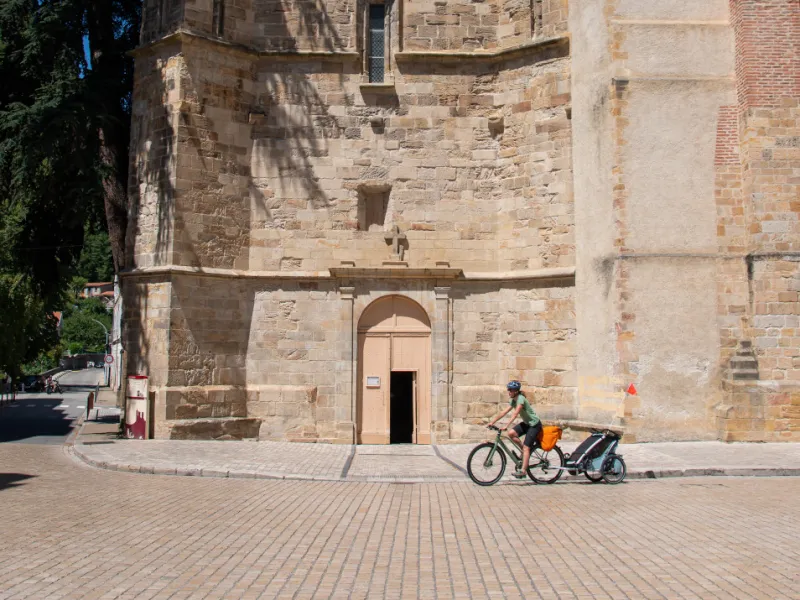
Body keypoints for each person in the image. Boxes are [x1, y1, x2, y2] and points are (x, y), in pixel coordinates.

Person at [487, 380, 542, 479]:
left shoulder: (520, 399)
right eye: (508, 389)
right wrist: (492, 422)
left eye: (510, 390)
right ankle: (524, 452)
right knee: (511, 433)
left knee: (526, 447)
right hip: (527, 423)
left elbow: (515, 413)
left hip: (534, 425)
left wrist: (506, 425)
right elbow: (504, 412)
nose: (509, 391)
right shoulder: (513, 400)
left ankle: (523, 471)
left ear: (516, 391)